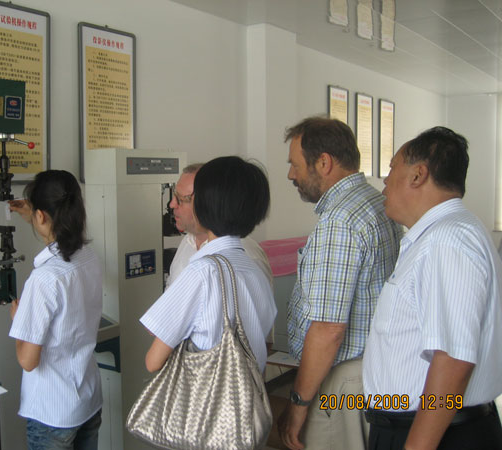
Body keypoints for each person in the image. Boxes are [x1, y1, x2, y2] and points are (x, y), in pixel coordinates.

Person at [363, 126, 502, 450]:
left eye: (391, 169)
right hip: (424, 427)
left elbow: (453, 359)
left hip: (437, 434)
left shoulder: (446, 241)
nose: (384, 182)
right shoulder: (441, 235)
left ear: (418, 175)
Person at [278, 117, 402, 450]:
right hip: (372, 369)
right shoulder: (375, 201)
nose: (290, 175)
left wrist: (298, 403)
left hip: (342, 378)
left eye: (295, 164)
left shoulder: (340, 221)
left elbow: (328, 329)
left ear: (324, 162)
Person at [140, 156, 277, 374]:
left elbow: (153, 362)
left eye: (185, 199)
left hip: (205, 393)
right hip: (246, 390)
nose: (173, 204)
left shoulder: (202, 271)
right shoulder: (252, 269)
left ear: (205, 205)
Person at [8, 170, 104, 450]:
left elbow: (28, 361)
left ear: (41, 216)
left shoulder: (44, 279)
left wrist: (19, 320)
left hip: (53, 414)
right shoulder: (89, 258)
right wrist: (35, 215)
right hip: (87, 401)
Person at [166, 162, 273, 287]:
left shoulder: (246, 257)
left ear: (208, 202)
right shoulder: (187, 242)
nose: (172, 204)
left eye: (181, 199)